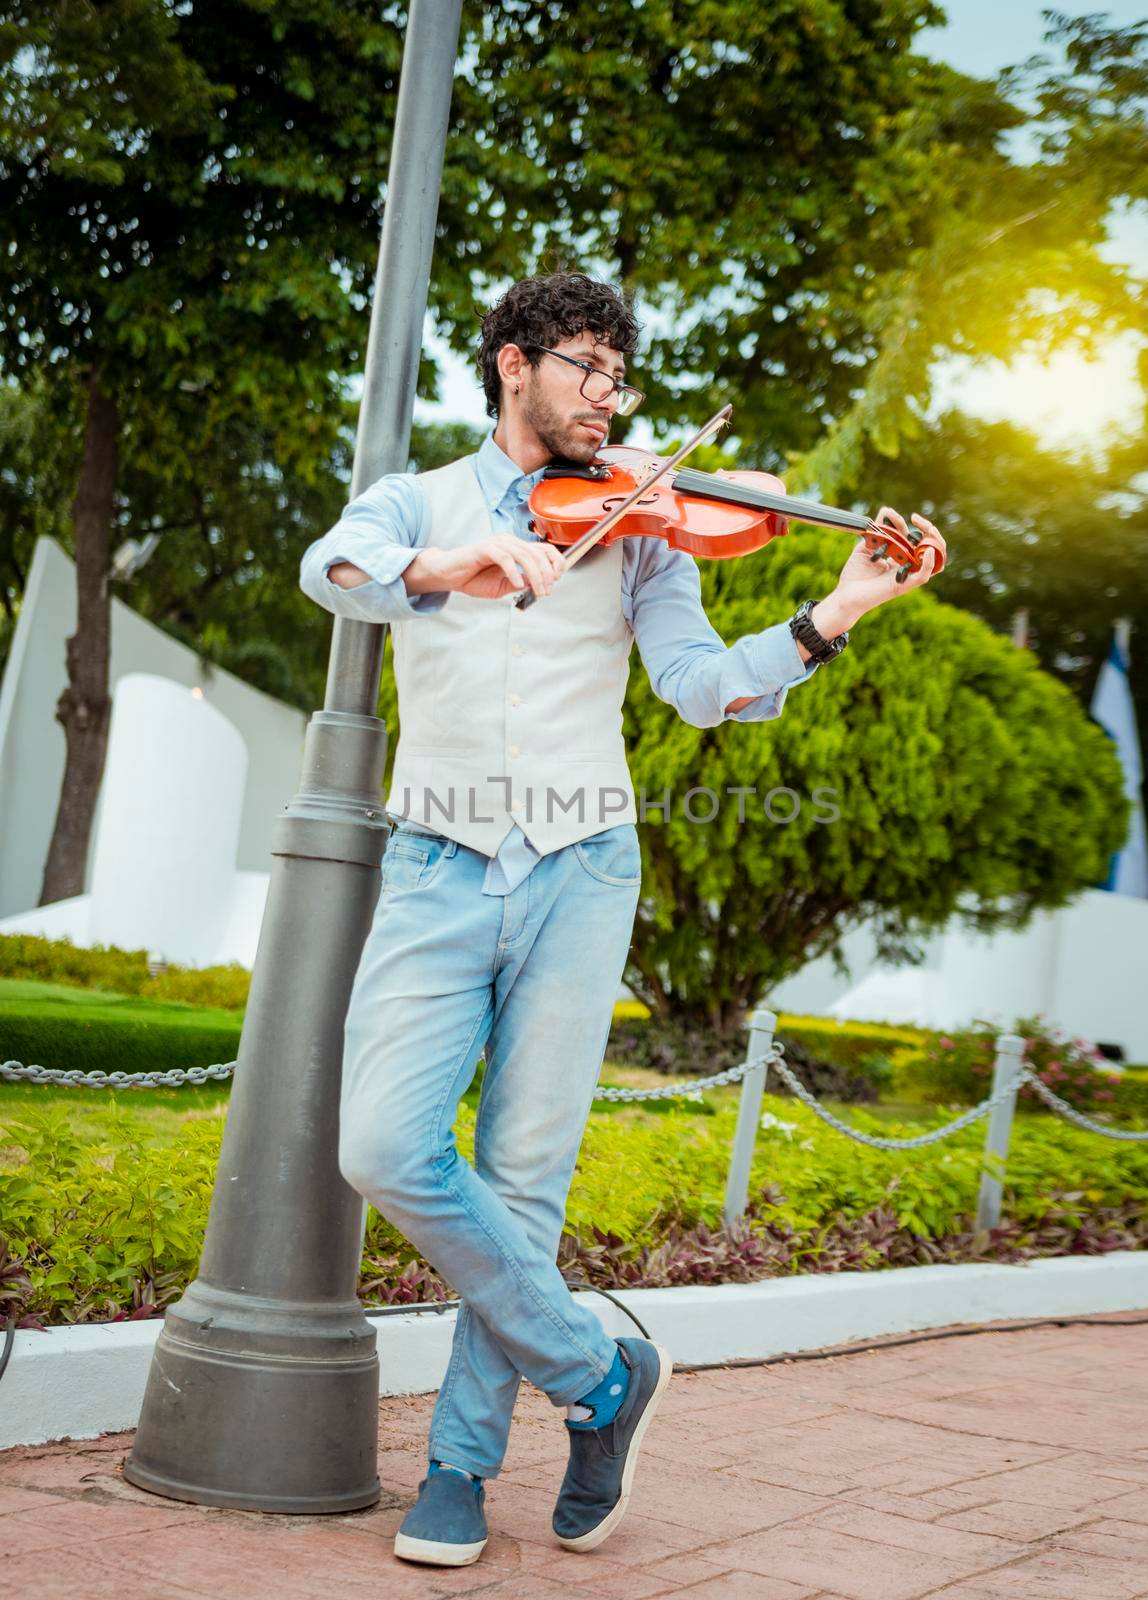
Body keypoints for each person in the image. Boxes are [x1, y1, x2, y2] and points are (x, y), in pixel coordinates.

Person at [299, 271, 944, 1568]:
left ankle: (461, 1474)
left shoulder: (645, 520)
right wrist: (453, 564)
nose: (610, 398)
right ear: (511, 366)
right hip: (436, 858)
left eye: (618, 375)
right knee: (382, 1145)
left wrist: (840, 612)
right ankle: (601, 1375)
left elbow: (702, 689)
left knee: (524, 1183)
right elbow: (336, 571)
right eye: (587, 367)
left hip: (584, 865)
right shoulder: (420, 501)